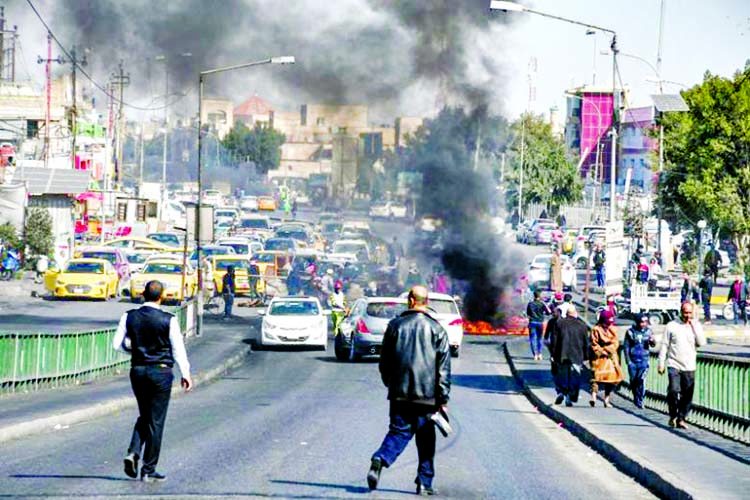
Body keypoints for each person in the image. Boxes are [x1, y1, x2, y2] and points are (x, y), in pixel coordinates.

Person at [367, 286, 451, 495]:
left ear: (412, 301)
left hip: (399, 393)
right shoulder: (437, 329)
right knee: (426, 439)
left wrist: (391, 383)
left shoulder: (395, 326)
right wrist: (442, 398)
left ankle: (380, 458)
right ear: (425, 301)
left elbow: (384, 362)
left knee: (398, 431)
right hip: (427, 397)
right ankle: (424, 483)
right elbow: (443, 368)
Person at [113, 280, 192, 482]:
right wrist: (186, 373)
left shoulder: (128, 316)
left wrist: (134, 350)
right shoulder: (169, 319)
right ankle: (148, 468)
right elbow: (178, 349)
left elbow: (117, 345)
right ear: (161, 296)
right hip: (161, 372)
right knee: (156, 421)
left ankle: (133, 452)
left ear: (142, 294)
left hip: (137, 370)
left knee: (145, 414)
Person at [658, 302, 707, 429]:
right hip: (674, 364)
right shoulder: (672, 326)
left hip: (689, 365)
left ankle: (681, 418)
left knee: (687, 394)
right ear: (681, 312)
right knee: (673, 390)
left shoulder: (695, 326)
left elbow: (701, 342)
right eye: (685, 312)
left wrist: (694, 326)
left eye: (690, 313)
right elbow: (664, 345)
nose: (687, 315)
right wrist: (661, 363)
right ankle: (673, 415)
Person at [551, 305, 588, 407]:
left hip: (562, 354)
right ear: (575, 314)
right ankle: (570, 396)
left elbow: (554, 340)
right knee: (575, 376)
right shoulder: (582, 325)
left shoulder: (559, 323)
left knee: (562, 375)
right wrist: (586, 356)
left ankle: (562, 392)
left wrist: (553, 354)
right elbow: (586, 342)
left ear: (566, 314)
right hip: (577, 355)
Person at [589, 309, 623, 408]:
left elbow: (615, 342)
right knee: (595, 378)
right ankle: (594, 396)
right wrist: (600, 351)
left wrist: (608, 350)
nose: (607, 325)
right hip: (598, 357)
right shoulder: (596, 329)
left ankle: (606, 399)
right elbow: (593, 343)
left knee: (611, 379)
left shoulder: (614, 329)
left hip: (610, 357)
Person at [623, 314, 655, 409]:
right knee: (633, 381)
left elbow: (653, 345)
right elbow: (626, 346)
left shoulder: (649, 332)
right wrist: (628, 360)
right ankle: (636, 398)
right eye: (641, 322)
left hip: (644, 360)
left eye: (645, 322)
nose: (643, 324)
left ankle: (640, 399)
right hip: (633, 360)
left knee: (641, 379)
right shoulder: (630, 332)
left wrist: (652, 341)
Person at [526, 290, 550, 361]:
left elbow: (528, 313)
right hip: (540, 322)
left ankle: (535, 355)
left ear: (534, 295)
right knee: (539, 338)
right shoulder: (542, 304)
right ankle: (539, 353)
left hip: (532, 322)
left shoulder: (530, 304)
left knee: (532, 339)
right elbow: (548, 312)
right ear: (540, 296)